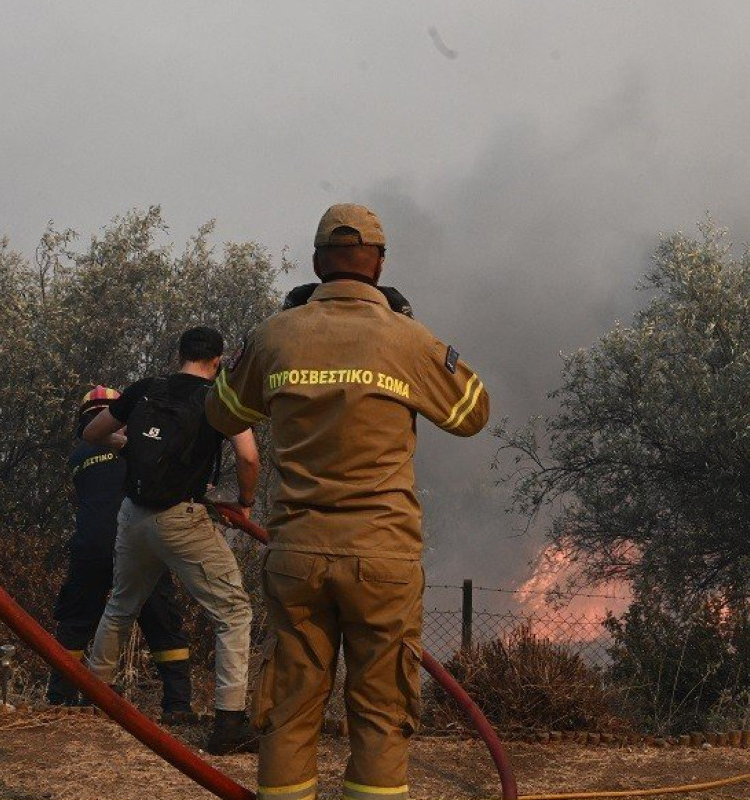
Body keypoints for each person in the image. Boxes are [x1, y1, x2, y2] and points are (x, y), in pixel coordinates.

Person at [206, 203, 490, 800]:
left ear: (315, 264)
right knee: (383, 715)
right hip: (383, 557)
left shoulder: (273, 334)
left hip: (297, 554)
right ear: (380, 265)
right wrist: (415, 333)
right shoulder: (406, 337)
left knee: (288, 710)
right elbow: (472, 414)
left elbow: (221, 412)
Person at [81, 327, 262, 754]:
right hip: (183, 517)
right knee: (234, 612)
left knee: (121, 605)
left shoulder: (146, 388)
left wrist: (132, 448)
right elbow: (249, 456)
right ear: (217, 361)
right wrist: (246, 503)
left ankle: (94, 700)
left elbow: (92, 434)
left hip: (133, 515)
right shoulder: (219, 398)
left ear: (180, 353)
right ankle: (229, 722)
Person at [46, 384, 193, 719]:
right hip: (138, 541)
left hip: (90, 545)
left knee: (77, 619)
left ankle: (59, 698)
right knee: (161, 620)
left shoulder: (78, 456)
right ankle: (178, 704)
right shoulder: (138, 446)